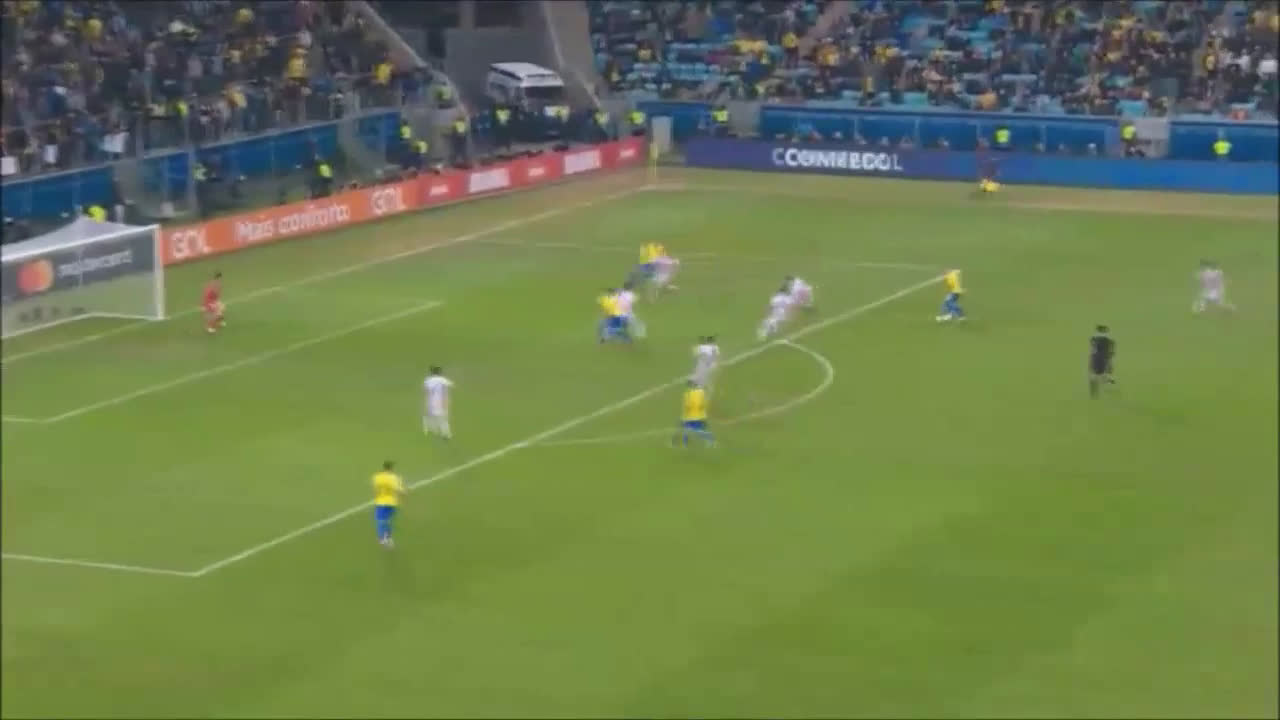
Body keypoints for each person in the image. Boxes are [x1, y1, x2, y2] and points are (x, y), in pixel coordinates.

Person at [372, 460, 405, 548]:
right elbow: (399, 489)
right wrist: (404, 494)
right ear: (391, 468)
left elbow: (376, 490)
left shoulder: (377, 477)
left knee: (380, 521)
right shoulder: (395, 478)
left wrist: (376, 499)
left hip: (380, 502)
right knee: (388, 520)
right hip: (392, 503)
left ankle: (382, 539)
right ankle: (388, 538)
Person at [673, 380, 714, 447]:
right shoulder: (701, 392)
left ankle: (709, 437)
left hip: (691, 417)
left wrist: (683, 417)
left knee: (691, 431)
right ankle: (685, 445)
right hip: (700, 416)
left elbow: (687, 407)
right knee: (690, 431)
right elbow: (702, 404)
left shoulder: (687, 394)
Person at [423, 366, 454, 439]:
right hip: (440, 401)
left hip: (431, 401)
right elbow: (450, 385)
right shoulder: (443, 380)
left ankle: (428, 427)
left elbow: (426, 390)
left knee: (432, 415)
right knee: (442, 418)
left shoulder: (428, 380)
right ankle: (446, 434)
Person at [1088, 325, 1116, 398]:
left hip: (1095, 358)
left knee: (1094, 375)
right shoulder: (1109, 340)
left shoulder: (1093, 338)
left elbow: (1092, 350)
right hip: (1103, 358)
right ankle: (1109, 382)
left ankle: (1094, 393)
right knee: (1103, 374)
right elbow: (1111, 353)